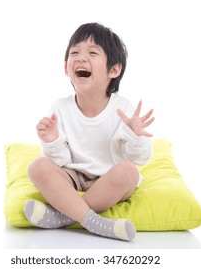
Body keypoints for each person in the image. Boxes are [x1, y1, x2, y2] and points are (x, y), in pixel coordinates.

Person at [24, 22, 155, 241]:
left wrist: (136, 135)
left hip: (109, 180)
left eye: (92, 53)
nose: (81, 58)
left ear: (113, 69)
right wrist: (52, 141)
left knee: (129, 172)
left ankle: (64, 216)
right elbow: (60, 159)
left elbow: (139, 158)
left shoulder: (123, 108)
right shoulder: (60, 107)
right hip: (72, 177)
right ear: (67, 68)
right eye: (75, 52)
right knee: (38, 167)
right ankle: (96, 223)